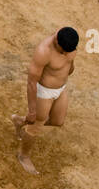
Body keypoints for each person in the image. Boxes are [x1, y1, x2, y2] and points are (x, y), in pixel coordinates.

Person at [11, 27, 78, 175]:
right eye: (63, 52)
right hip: (44, 91)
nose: (66, 54)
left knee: (58, 121)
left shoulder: (69, 41)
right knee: (35, 126)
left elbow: (70, 64)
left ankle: (20, 121)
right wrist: (32, 110)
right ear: (57, 42)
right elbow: (31, 83)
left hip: (61, 88)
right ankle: (24, 156)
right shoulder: (44, 51)